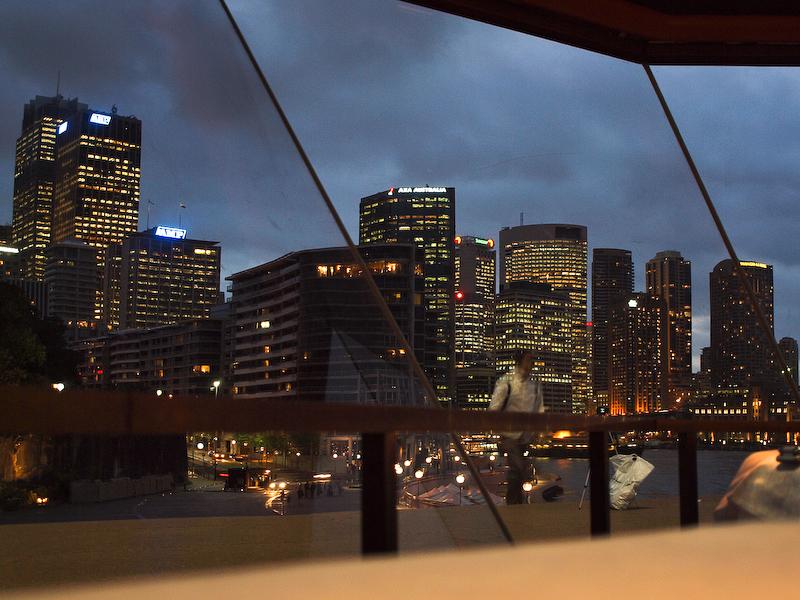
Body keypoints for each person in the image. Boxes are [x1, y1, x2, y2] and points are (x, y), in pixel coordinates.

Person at [489, 349, 544, 504]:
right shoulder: (506, 381)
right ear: (519, 362)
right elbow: (494, 407)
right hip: (509, 434)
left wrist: (537, 430)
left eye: (532, 360)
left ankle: (515, 504)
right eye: (528, 360)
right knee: (517, 469)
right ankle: (514, 505)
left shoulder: (534, 385)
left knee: (520, 471)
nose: (531, 363)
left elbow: (538, 410)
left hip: (526, 436)